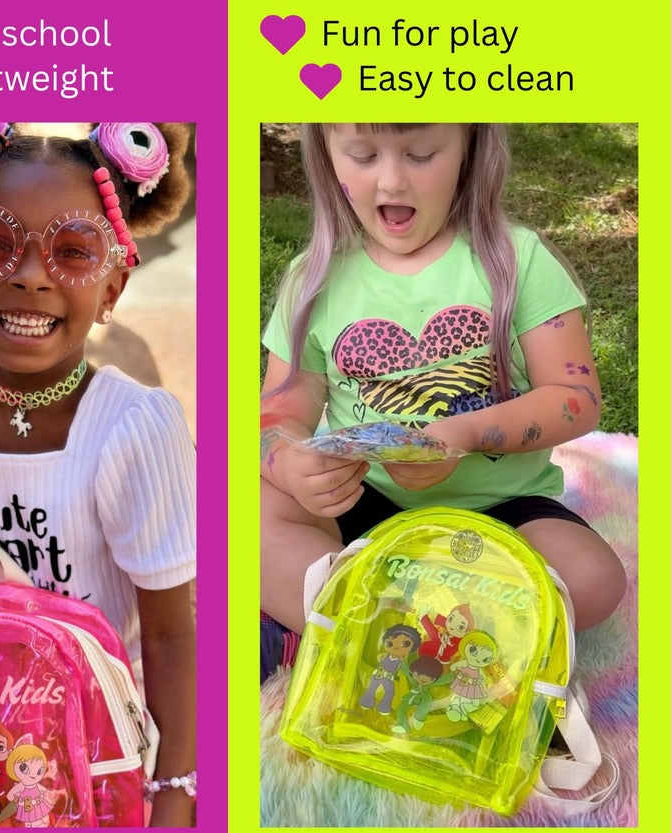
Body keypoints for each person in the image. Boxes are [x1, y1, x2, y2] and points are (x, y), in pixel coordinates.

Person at [0, 122, 197, 827]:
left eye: (73, 251)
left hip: (103, 751)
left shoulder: (133, 429)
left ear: (112, 288)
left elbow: (171, 635)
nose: (30, 273)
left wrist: (175, 794)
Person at [260, 123, 626, 675]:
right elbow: (276, 415)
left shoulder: (517, 259)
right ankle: (414, 632)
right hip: (362, 510)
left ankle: (363, 632)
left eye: (421, 154)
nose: (391, 180)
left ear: (468, 148)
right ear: (326, 156)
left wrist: (465, 433)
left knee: (593, 578)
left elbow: (575, 398)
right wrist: (290, 463)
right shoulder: (312, 280)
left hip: (503, 516)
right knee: (241, 511)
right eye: (362, 155)